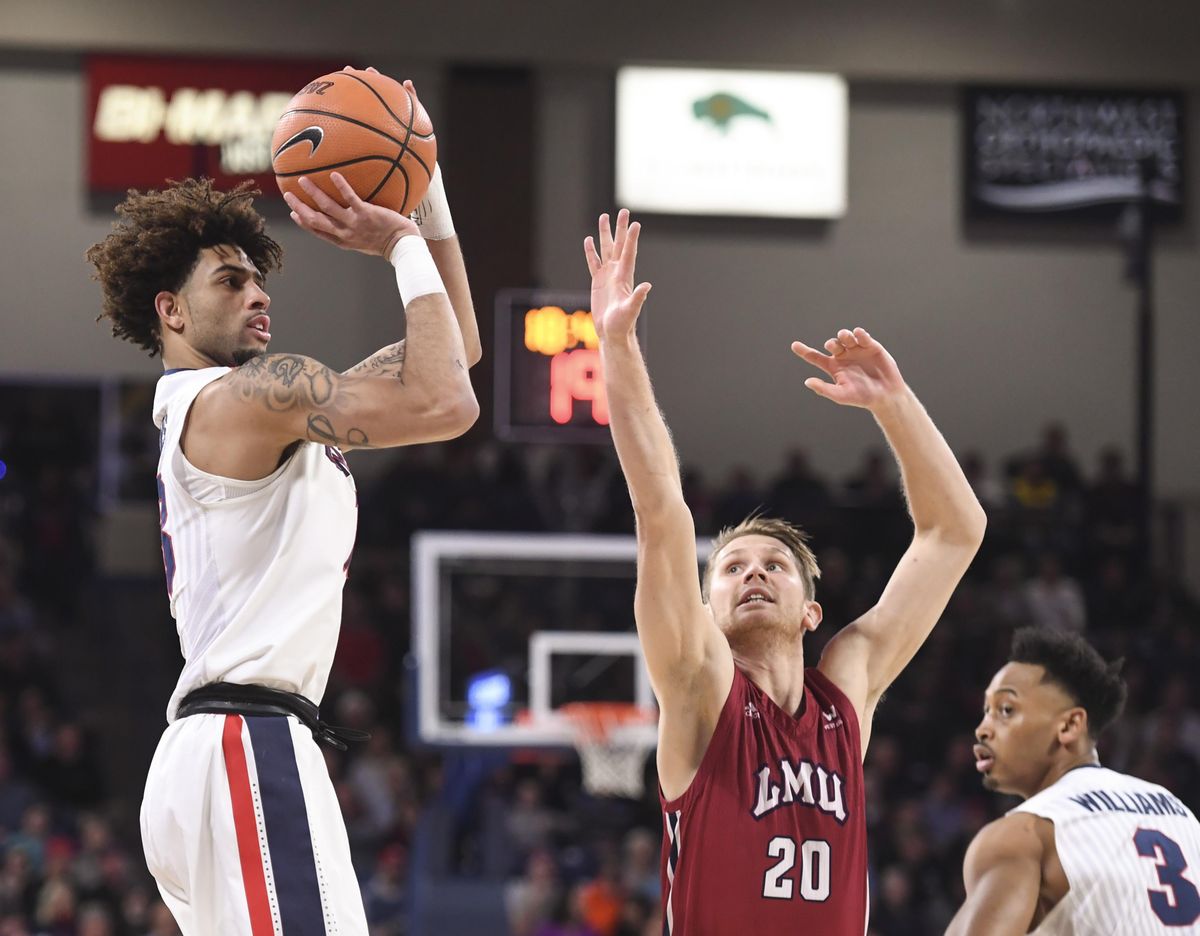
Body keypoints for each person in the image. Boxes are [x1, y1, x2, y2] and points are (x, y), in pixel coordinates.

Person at [86, 70, 480, 935]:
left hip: (225, 749)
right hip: (245, 744)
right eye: (230, 281)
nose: (258, 293)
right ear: (171, 311)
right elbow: (448, 405)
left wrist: (427, 187)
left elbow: (456, 351)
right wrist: (398, 241)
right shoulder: (250, 398)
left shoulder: (262, 409)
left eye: (260, 279)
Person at [584, 210, 986, 934]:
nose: (754, 573)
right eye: (732, 567)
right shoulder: (702, 688)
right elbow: (663, 515)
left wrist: (895, 405)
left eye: (775, 565)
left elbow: (956, 533)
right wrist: (615, 344)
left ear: (811, 611)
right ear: (706, 610)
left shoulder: (847, 693)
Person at [947, 628, 1200, 935]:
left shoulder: (1025, 834)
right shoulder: (1179, 811)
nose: (982, 730)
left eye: (1006, 710)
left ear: (1069, 725)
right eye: (985, 711)